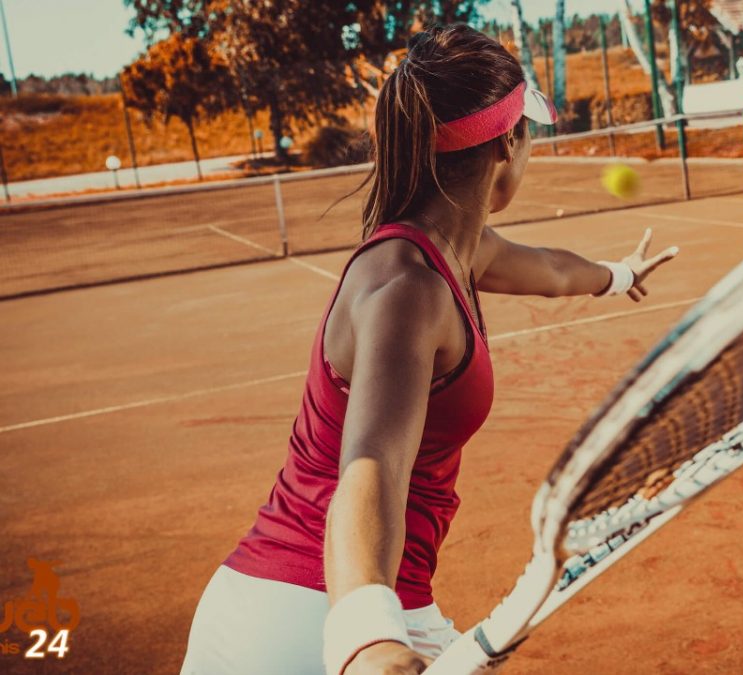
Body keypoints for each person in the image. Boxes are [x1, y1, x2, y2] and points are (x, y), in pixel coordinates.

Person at [180, 24, 678, 675]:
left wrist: (617, 275)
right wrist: (367, 637)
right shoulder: (406, 289)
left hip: (356, 603)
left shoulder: (458, 250)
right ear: (508, 142)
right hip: (311, 615)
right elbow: (373, 464)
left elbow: (552, 269)